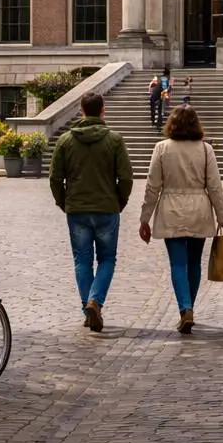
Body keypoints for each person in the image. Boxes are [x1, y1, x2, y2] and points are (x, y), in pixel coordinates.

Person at [138, 105, 223, 334]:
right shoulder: (206, 150)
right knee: (194, 262)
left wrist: (144, 218)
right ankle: (189, 307)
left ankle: (185, 308)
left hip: (171, 209)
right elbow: (215, 186)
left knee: (178, 263)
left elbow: (152, 185)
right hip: (199, 209)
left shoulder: (162, 148)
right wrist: (222, 216)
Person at [50, 92, 134, 333]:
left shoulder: (65, 140)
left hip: (77, 209)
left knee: (82, 260)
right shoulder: (115, 140)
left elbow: (55, 178)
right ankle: (95, 301)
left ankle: (88, 307)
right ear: (103, 110)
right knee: (107, 259)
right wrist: (120, 201)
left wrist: (63, 202)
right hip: (107, 209)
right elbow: (126, 177)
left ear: (81, 110)